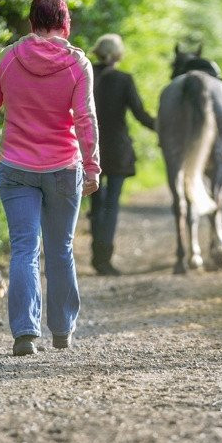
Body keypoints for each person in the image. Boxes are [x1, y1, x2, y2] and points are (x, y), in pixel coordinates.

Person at [0, 0, 100, 356]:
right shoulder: (78, 64)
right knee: (60, 249)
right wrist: (91, 166)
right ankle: (62, 331)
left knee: (24, 249)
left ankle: (26, 334)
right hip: (64, 168)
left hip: (16, 169)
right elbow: (85, 119)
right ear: (66, 25)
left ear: (31, 23)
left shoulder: (9, 58)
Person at [89, 34, 156, 276]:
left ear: (97, 53)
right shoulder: (123, 80)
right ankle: (104, 258)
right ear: (118, 55)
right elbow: (140, 114)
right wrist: (163, 127)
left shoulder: (85, 75)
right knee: (112, 203)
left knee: (96, 201)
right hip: (117, 149)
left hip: (89, 148)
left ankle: (96, 255)